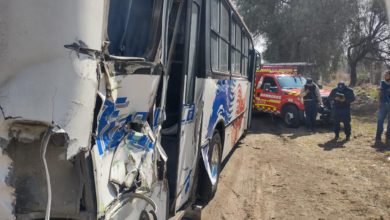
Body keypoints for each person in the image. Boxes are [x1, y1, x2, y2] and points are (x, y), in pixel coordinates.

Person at [375, 70, 390, 143]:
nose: (385, 75)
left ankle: (388, 135)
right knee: (380, 120)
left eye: (387, 74)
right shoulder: (382, 83)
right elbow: (379, 93)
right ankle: (378, 136)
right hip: (383, 103)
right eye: (385, 74)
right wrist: (378, 102)